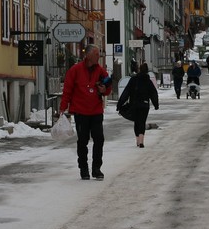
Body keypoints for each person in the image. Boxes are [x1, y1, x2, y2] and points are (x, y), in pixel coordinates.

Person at [59, 44, 110, 180]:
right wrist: (63, 108)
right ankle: (83, 168)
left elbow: (108, 88)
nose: (99, 57)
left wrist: (104, 89)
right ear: (88, 56)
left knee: (99, 139)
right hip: (80, 112)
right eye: (96, 54)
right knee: (83, 141)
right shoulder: (75, 70)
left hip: (96, 111)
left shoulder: (100, 71)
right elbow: (67, 90)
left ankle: (96, 168)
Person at [116, 62, 159, 148]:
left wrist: (119, 104)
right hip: (145, 105)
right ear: (147, 71)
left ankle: (138, 141)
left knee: (137, 122)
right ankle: (141, 140)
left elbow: (126, 92)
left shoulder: (133, 80)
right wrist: (156, 104)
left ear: (139, 69)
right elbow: (153, 93)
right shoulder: (148, 81)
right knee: (142, 122)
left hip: (134, 104)